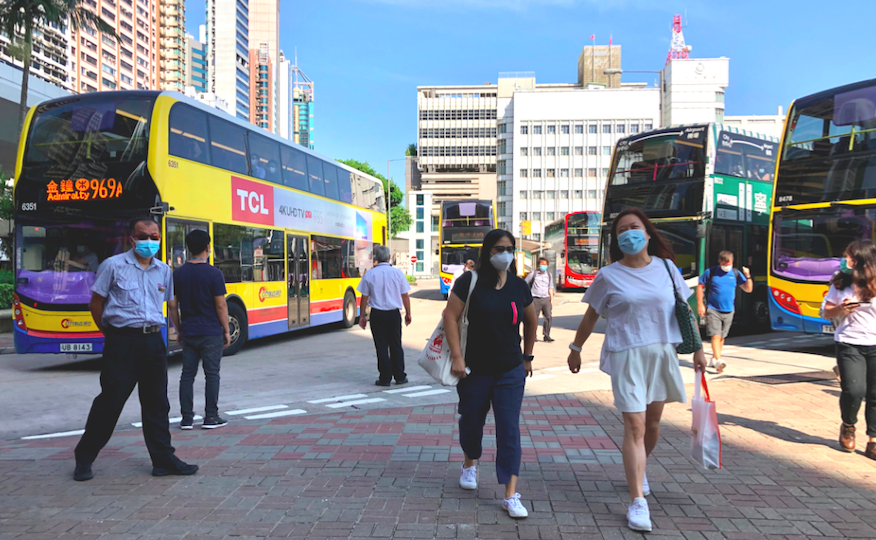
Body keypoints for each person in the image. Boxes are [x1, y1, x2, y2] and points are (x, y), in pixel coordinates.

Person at [566, 208, 707, 532]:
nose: (629, 233)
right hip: (626, 355)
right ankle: (637, 501)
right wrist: (575, 349)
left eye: (634, 227)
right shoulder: (609, 275)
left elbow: (684, 311)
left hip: (662, 352)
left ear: (647, 233)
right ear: (617, 240)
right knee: (635, 427)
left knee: (653, 425)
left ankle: (638, 470)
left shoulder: (667, 269)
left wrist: (698, 349)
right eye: (622, 230)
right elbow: (591, 316)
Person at [73, 218, 198, 481]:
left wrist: (180, 332)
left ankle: (163, 459)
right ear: (132, 239)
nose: (149, 242)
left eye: (154, 237)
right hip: (122, 342)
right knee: (110, 402)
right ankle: (84, 458)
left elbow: (168, 305)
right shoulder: (113, 265)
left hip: (153, 342)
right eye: (144, 236)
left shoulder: (164, 271)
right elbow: (96, 304)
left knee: (156, 404)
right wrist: (112, 333)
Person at [443, 229, 537, 519]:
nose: (505, 254)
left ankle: (511, 494)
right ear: (487, 251)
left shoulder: (519, 286)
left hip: (510, 369)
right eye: (499, 249)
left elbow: (532, 320)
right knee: (471, 422)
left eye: (509, 248)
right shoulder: (469, 281)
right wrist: (457, 357)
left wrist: (527, 356)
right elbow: (450, 315)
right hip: (474, 369)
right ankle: (470, 462)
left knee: (509, 429)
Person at [173, 230, 232, 430]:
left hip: (189, 331)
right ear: (208, 248)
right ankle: (211, 417)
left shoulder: (178, 273)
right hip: (211, 332)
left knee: (187, 375)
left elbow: (173, 305)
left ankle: (187, 419)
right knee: (212, 374)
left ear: (188, 249)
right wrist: (226, 329)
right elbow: (221, 305)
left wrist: (179, 329)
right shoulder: (214, 274)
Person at [822, 240, 876, 457]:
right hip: (849, 342)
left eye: (849, 256)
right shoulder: (840, 283)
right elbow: (827, 312)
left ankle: (873, 440)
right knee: (854, 390)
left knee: (875, 393)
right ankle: (848, 426)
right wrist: (840, 308)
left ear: (862, 260)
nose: (844, 260)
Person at [358, 245, 412, 386]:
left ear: (376, 258)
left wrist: (362, 315)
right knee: (396, 345)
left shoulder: (369, 274)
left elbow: (364, 297)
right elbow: (405, 295)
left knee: (381, 346)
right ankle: (400, 376)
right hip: (393, 314)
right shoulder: (398, 274)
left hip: (377, 315)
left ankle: (385, 378)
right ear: (389, 257)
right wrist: (408, 313)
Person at [696, 251, 753, 373]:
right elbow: (700, 286)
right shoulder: (711, 272)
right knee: (715, 336)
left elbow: (748, 289)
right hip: (713, 309)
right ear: (720, 262)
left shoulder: (735, 273)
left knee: (722, 337)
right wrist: (700, 304)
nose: (727, 266)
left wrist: (747, 276)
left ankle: (714, 359)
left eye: (730, 263)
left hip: (729, 310)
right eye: (725, 263)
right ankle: (718, 361)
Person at [524, 256, 555, 342]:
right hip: (535, 299)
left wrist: (551, 298)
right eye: (542, 264)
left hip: (546, 299)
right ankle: (533, 335)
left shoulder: (549, 275)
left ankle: (546, 335)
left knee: (548, 317)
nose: (543, 266)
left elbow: (551, 286)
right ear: (538, 265)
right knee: (534, 318)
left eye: (545, 264)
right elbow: (524, 283)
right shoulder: (533, 274)